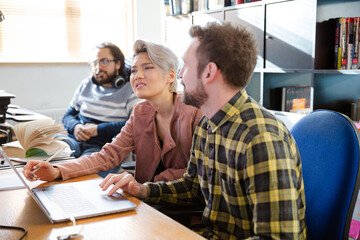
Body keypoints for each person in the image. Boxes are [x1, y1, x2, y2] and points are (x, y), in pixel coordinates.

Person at [95, 22, 308, 239]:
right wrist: (142, 190)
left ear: (209, 73)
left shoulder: (261, 139)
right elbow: (192, 187)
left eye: (185, 66)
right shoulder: (208, 124)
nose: (179, 75)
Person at [23, 40, 203, 184]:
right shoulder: (141, 112)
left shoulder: (195, 112)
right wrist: (57, 171)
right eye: (134, 70)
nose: (137, 75)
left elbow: (199, 171)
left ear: (171, 76)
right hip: (147, 201)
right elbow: (108, 156)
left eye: (147, 67)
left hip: (181, 210)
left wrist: (144, 186)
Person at [59, 42, 138, 176]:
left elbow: (135, 125)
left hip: (102, 147)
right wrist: (76, 127)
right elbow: (68, 115)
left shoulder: (131, 89)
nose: (98, 67)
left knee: (80, 175)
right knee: (47, 157)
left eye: (104, 61)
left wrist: (97, 130)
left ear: (118, 64)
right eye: (95, 62)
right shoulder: (86, 84)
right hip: (74, 139)